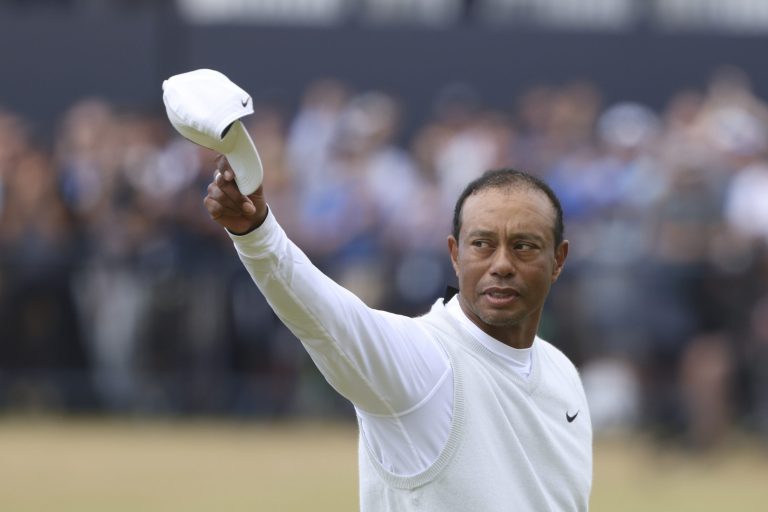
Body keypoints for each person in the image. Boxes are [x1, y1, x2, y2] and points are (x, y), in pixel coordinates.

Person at [204, 159, 592, 511]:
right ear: (455, 255)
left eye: (524, 246)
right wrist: (256, 233)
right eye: (482, 245)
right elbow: (324, 317)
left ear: (558, 260)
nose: (502, 264)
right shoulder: (424, 360)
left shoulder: (562, 373)